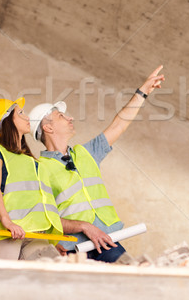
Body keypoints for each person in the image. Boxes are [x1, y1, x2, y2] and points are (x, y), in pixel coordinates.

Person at [28, 66, 164, 263]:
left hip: (107, 240)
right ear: (48, 127)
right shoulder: (39, 168)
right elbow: (44, 218)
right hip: (71, 249)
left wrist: (142, 93)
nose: (70, 117)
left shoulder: (86, 153)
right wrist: (84, 226)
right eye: (61, 116)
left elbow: (119, 124)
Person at [0, 97, 63, 260]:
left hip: (35, 233)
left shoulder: (31, 160)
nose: (27, 117)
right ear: (6, 120)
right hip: (4, 231)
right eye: (21, 112)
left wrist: (51, 239)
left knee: (51, 271)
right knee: (1, 281)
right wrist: (8, 222)